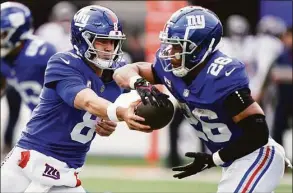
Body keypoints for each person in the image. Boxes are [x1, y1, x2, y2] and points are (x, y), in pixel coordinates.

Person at [113, 6, 291, 192]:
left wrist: (213, 159)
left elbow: (258, 134)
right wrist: (140, 84)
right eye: (170, 44)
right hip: (234, 161)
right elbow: (124, 72)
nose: (170, 52)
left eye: (178, 45)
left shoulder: (221, 76)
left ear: (199, 47)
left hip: (256, 156)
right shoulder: (170, 68)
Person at [1, 5, 151, 193]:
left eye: (113, 42)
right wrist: (117, 112)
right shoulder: (63, 62)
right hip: (31, 159)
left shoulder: (117, 74)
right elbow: (86, 100)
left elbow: (145, 72)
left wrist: (112, 117)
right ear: (82, 40)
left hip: (65, 168)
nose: (109, 48)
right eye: (102, 41)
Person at [0, 2, 57, 155]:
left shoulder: (42, 53)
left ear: (17, 31)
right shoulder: (4, 58)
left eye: (2, 34)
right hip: (39, 125)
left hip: (60, 121)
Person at [271, 27, 292, 148]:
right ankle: (280, 159)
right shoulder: (281, 56)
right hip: (283, 98)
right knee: (278, 129)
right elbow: (275, 75)